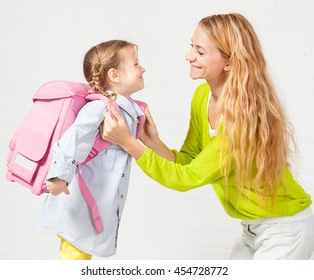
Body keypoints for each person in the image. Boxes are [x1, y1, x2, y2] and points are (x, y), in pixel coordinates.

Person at [101, 13, 314, 259]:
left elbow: (187, 178)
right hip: (251, 229)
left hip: (285, 229)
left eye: (200, 52)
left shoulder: (243, 119)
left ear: (230, 62)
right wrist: (154, 144)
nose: (189, 56)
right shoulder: (202, 96)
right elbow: (191, 159)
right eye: (192, 46)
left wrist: (129, 144)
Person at [34, 40, 146, 260]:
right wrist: (58, 177)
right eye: (136, 64)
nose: (142, 69)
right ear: (115, 75)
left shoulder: (129, 109)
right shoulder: (99, 107)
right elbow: (72, 140)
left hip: (94, 207)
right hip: (77, 206)